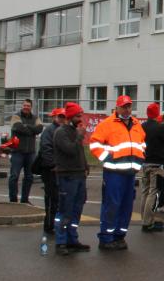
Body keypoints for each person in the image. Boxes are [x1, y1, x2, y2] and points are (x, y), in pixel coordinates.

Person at [89, 95, 146, 251]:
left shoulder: (136, 124)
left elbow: (142, 143)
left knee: (126, 206)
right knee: (112, 205)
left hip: (130, 173)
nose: (127, 109)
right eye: (124, 106)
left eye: (129, 106)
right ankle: (106, 238)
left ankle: (119, 236)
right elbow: (94, 144)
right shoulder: (107, 124)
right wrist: (108, 157)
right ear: (117, 107)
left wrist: (140, 157)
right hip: (114, 173)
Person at [53, 102, 91, 255]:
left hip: (78, 174)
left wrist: (85, 166)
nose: (80, 118)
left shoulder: (75, 131)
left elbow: (79, 152)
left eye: (80, 115)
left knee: (76, 209)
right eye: (77, 116)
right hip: (67, 176)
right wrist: (80, 136)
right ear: (70, 117)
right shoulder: (61, 132)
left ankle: (72, 238)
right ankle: (61, 241)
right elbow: (70, 150)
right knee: (65, 210)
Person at [139, 103, 164, 233]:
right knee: (154, 192)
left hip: (145, 161)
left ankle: (145, 218)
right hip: (157, 163)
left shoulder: (142, 127)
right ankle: (148, 222)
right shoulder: (161, 128)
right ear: (157, 114)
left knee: (145, 192)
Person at [8, 99, 43, 205]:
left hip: (30, 152)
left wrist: (26, 127)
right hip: (17, 151)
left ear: (31, 107)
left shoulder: (35, 117)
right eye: (24, 105)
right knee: (14, 176)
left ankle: (25, 199)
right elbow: (17, 127)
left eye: (28, 105)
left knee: (29, 176)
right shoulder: (16, 116)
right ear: (22, 106)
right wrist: (31, 129)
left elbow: (40, 128)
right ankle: (13, 199)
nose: (26, 107)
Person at [37, 108, 65, 234]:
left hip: (60, 169)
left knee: (59, 199)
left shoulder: (62, 130)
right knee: (51, 199)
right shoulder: (49, 131)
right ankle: (49, 225)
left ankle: (55, 223)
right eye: (60, 116)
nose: (62, 119)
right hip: (50, 170)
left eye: (64, 117)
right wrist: (53, 165)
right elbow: (46, 149)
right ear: (54, 117)